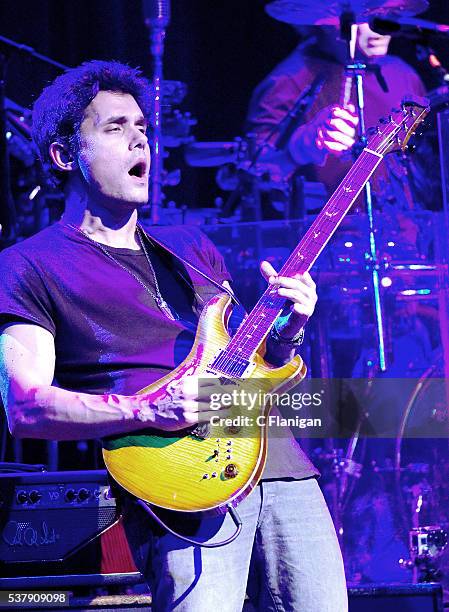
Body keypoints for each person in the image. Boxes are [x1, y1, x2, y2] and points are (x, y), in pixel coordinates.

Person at [0, 60, 347, 611]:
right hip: (179, 477)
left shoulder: (191, 247)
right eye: (115, 128)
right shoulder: (28, 265)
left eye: (143, 128)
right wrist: (149, 411)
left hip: (280, 466)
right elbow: (27, 407)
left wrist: (286, 334)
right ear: (65, 155)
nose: (140, 139)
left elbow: (249, 364)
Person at [246, 23, 427, 204]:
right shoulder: (287, 82)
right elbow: (255, 177)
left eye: (381, 15)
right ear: (326, 18)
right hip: (325, 229)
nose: (377, 28)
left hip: (403, 228)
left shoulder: (402, 74)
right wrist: (301, 146)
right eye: (364, 16)